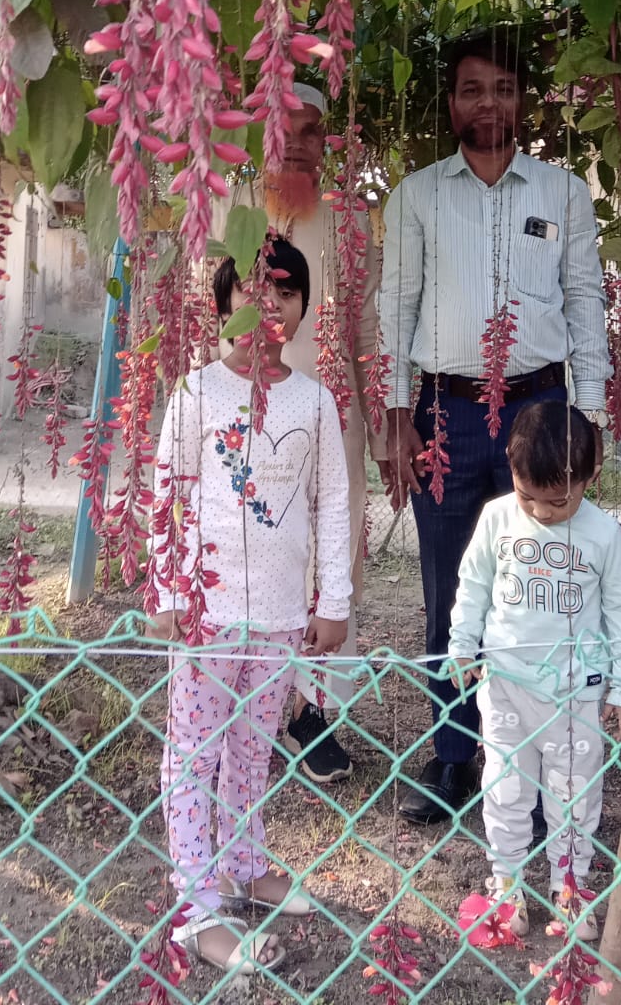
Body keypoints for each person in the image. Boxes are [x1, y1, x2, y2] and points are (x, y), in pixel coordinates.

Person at [379, 29, 612, 822]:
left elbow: (586, 302)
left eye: (503, 89)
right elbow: (394, 309)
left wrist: (590, 416)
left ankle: (537, 767)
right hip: (444, 414)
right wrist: (397, 414)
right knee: (450, 592)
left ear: (523, 102)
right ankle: (453, 757)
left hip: (539, 409)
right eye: (472, 89)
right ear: (451, 103)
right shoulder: (417, 195)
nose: (488, 104)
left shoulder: (563, 193)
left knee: (540, 592)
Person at [147, 236, 352, 976]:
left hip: (280, 616)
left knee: (253, 750)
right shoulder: (196, 392)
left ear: (303, 309)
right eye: (253, 290)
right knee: (193, 757)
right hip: (207, 616)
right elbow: (167, 492)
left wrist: (333, 599)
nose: (270, 304)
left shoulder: (315, 401)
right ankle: (197, 910)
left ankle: (244, 865)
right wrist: (169, 590)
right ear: (223, 305)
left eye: (286, 291)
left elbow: (333, 505)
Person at [215, 82, 386, 785]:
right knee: (248, 548)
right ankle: (242, 697)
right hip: (245, 416)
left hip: (331, 417)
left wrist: (384, 428)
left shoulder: (350, 218)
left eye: (314, 131)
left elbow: (366, 330)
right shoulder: (230, 208)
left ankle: (313, 712)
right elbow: (206, 315)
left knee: (333, 561)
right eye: (287, 128)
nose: (300, 144)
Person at [449, 402, 621, 937]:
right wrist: (462, 646)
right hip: (505, 686)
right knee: (505, 788)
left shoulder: (603, 535)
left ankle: (569, 886)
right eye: (526, 495)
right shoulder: (497, 519)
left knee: (575, 795)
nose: (541, 511)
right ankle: (506, 883)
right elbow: (472, 587)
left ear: (590, 476)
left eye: (559, 500)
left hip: (576, 693)